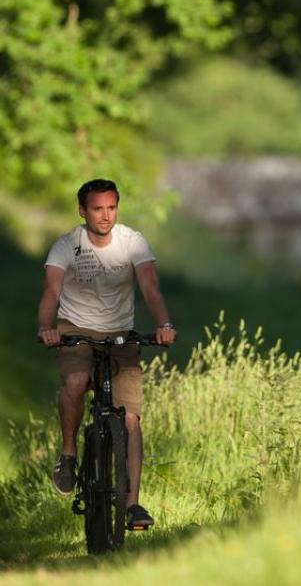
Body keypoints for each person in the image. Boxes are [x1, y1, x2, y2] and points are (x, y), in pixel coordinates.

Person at [36, 178, 177, 530]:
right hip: (75, 330)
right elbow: (51, 292)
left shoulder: (133, 243)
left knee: (130, 418)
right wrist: (46, 328)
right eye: (97, 209)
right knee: (76, 380)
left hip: (120, 334)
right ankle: (68, 454)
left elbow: (150, 287)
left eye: (111, 208)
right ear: (82, 211)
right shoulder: (66, 246)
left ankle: (132, 505)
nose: (105, 216)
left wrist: (164, 324)